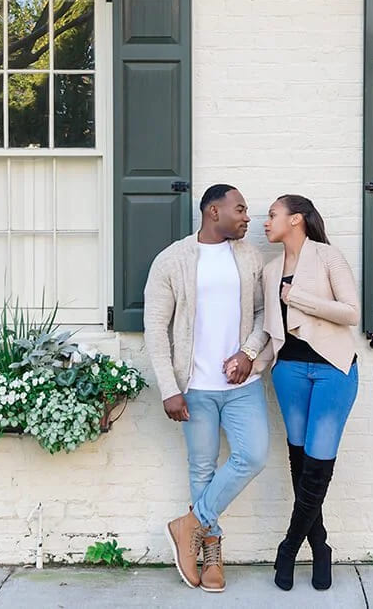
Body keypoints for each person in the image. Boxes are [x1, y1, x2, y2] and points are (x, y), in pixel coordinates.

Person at [143, 184, 270, 593]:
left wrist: (249, 353)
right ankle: (210, 551)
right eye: (240, 209)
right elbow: (155, 330)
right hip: (194, 387)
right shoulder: (171, 260)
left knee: (253, 455)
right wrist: (168, 387)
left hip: (242, 385)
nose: (247, 217)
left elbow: (264, 312)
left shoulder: (249, 257)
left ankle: (189, 525)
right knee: (201, 467)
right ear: (213, 211)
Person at [258, 194, 360, 591]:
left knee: (318, 464)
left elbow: (351, 312)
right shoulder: (269, 271)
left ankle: (288, 548)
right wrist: (251, 361)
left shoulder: (328, 257)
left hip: (334, 369)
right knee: (300, 462)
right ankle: (320, 545)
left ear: (296, 219)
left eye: (272, 215)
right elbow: (272, 333)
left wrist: (297, 297)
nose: (266, 222)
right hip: (289, 373)